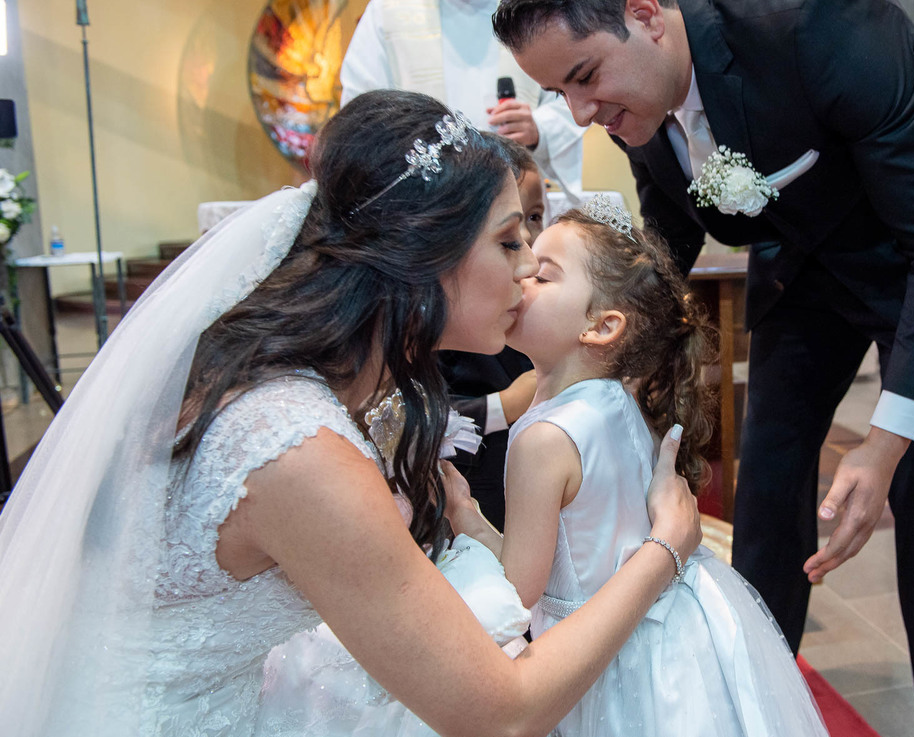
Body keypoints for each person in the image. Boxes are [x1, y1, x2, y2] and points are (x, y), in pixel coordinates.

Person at [0, 89, 702, 736]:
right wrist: (663, 549)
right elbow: (505, 713)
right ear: (429, 250)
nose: (526, 270)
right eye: (510, 240)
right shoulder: (293, 443)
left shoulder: (334, 379)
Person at [493, 0, 914, 735]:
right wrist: (609, 373)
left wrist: (879, 447)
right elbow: (662, 254)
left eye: (584, 77)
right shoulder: (639, 103)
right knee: (768, 476)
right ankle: (752, 695)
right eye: (556, 91)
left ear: (646, 15)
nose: (578, 113)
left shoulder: (824, 21)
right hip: (807, 267)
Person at [454, 200, 829, 737]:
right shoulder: (617, 396)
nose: (521, 277)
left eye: (542, 274)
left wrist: (465, 517)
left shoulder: (542, 438)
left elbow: (517, 592)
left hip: (601, 658)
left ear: (602, 326)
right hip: (670, 637)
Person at [340, 0, 585, 206]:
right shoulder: (387, 11)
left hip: (512, 196)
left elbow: (573, 96)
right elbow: (361, 117)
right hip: (424, 205)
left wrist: (539, 128)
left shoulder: (535, 7)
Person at [438, 140, 544, 530]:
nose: (531, 249)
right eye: (509, 238)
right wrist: (505, 404)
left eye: (535, 218)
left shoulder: (535, 301)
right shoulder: (450, 326)